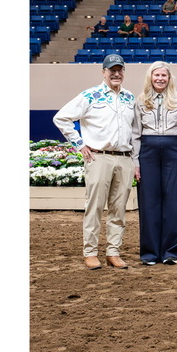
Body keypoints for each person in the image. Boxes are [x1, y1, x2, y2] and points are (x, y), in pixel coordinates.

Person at [52, 53, 136, 269]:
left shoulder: (129, 98)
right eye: (112, 70)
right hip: (99, 156)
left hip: (124, 158)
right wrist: (80, 144)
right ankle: (90, 252)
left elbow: (135, 130)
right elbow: (61, 118)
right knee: (95, 206)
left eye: (120, 70)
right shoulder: (90, 95)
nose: (116, 73)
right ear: (104, 72)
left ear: (124, 72)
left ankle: (113, 251)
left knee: (119, 208)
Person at [131, 61, 177, 266]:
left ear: (169, 78)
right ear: (150, 77)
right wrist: (135, 163)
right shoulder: (140, 100)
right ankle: (149, 253)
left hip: (173, 151)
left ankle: (171, 252)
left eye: (164, 75)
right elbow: (136, 133)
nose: (160, 79)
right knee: (149, 202)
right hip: (148, 152)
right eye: (157, 75)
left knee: (174, 201)